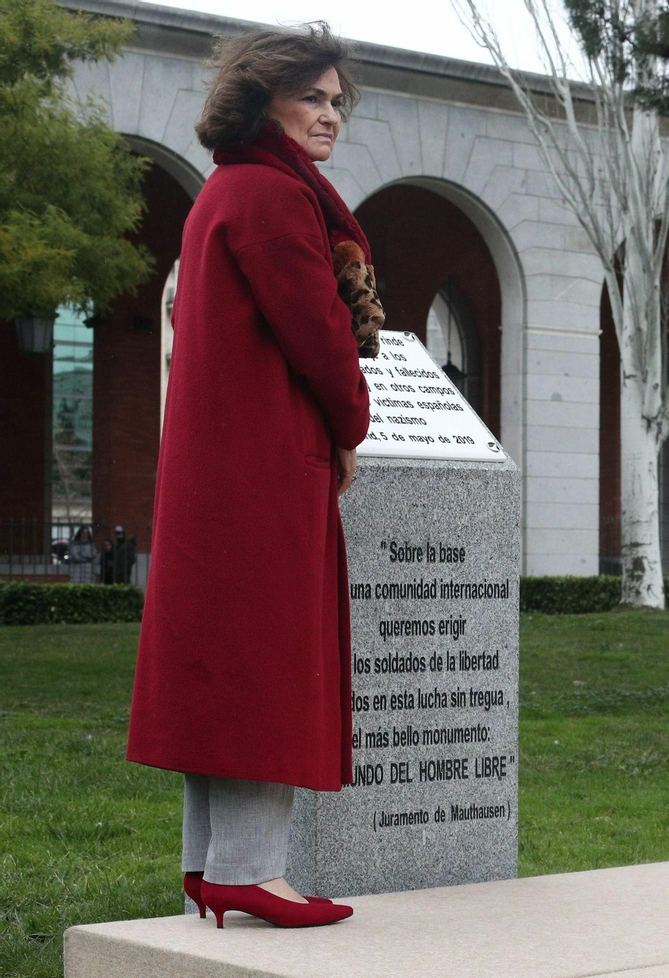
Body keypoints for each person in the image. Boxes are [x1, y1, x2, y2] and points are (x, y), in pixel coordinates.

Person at [125, 22, 383, 931]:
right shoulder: (272, 198)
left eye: (336, 101)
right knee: (267, 667)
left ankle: (210, 867)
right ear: (260, 100)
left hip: (230, 468)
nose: (329, 116)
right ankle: (248, 871)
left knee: (224, 669)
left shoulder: (225, 194)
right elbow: (318, 330)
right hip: (266, 468)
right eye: (310, 97)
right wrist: (352, 420)